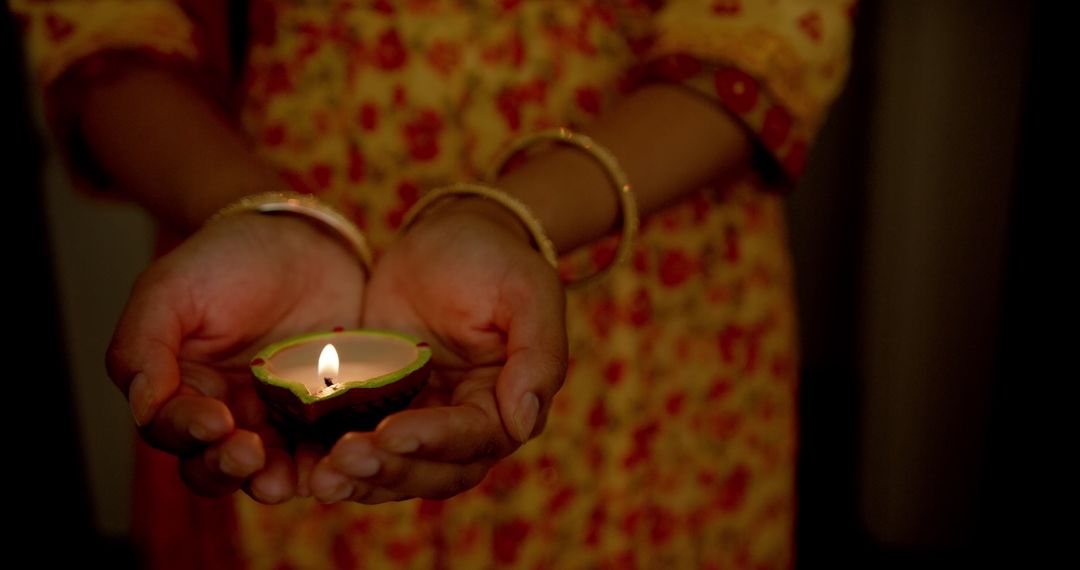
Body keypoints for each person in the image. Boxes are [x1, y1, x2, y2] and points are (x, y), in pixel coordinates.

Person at [14, 1, 853, 568]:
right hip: (271, 275)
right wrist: (254, 210)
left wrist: (512, 216)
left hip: (649, 295)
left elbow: (771, 32)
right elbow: (99, 25)